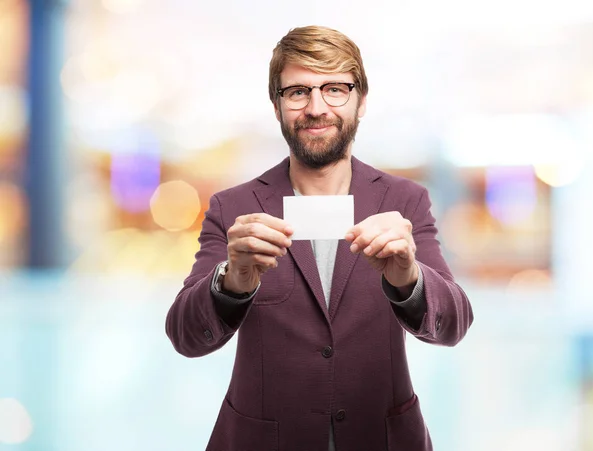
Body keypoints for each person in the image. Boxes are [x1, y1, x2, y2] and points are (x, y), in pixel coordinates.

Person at [165, 25, 474, 451]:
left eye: (335, 89)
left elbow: (453, 325)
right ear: (277, 106)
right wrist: (231, 280)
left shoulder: (405, 201)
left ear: (361, 101)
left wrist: (409, 277)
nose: (316, 108)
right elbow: (185, 336)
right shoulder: (233, 208)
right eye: (297, 92)